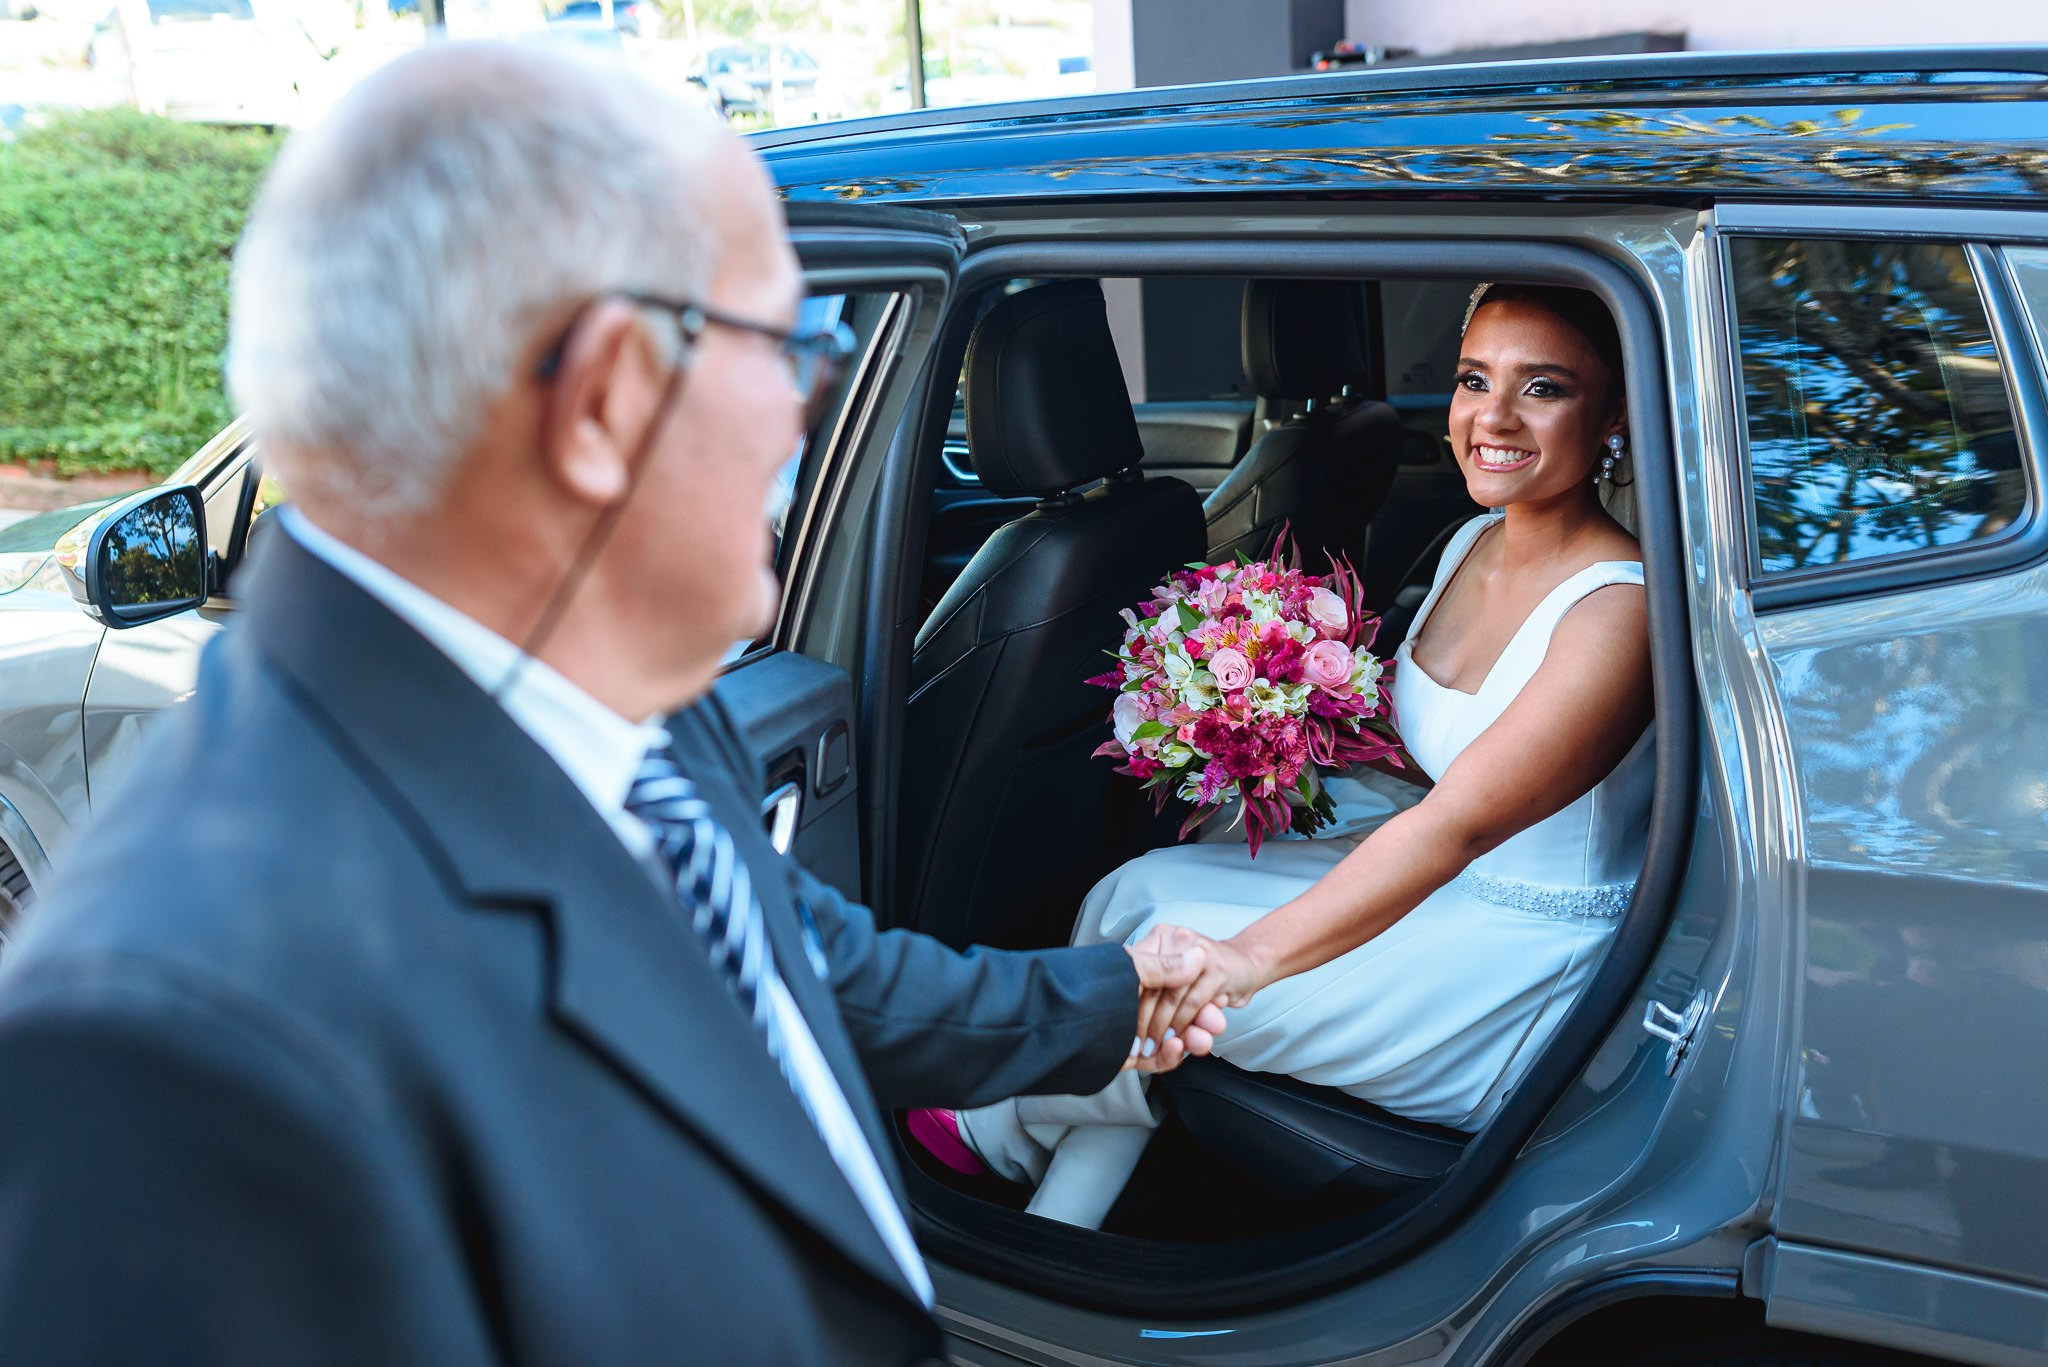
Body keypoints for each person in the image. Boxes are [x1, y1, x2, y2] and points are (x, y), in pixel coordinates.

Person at [0, 42, 1226, 1365]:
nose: (802, 418)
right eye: (799, 343)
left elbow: (796, 961)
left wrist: (1106, 997)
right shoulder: (173, 1049)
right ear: (606, 397)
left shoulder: (620, 694)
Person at [918, 283, 1656, 1229]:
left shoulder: (1615, 610)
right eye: (1475, 380)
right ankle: (1058, 1230)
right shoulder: (1475, 536)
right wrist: (1264, 721)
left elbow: (1458, 821)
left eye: (1542, 387)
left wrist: (1244, 959)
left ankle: (993, 1130)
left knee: (1172, 966)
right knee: (1135, 893)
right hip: (1437, 872)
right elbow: (1421, 753)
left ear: (1616, 413)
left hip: (1518, 962)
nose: (1493, 417)